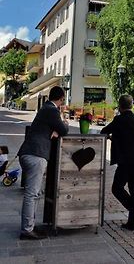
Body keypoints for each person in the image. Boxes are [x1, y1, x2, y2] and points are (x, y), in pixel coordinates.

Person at [17, 86, 69, 240]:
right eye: (62, 100)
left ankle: (30, 225)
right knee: (31, 194)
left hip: (29, 153)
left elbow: (52, 128)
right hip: (36, 155)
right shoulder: (52, 110)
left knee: (34, 193)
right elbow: (64, 129)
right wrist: (63, 123)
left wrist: (54, 131)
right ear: (60, 99)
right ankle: (27, 230)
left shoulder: (45, 109)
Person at [101, 94, 134, 231]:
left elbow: (104, 131)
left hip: (125, 159)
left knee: (117, 188)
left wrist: (110, 137)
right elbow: (128, 138)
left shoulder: (119, 120)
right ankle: (132, 223)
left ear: (120, 106)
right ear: (131, 105)